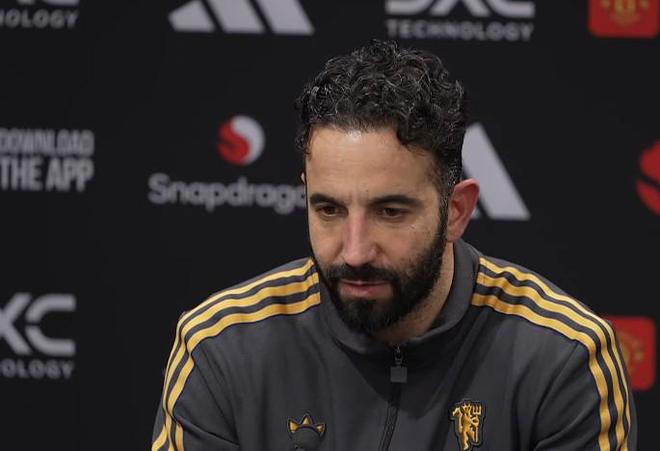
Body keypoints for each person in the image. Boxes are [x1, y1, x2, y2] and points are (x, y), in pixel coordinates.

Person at [151, 40, 636, 451]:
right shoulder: (220, 348)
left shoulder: (563, 357)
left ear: (456, 211)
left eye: (390, 212)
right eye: (329, 209)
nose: (356, 252)